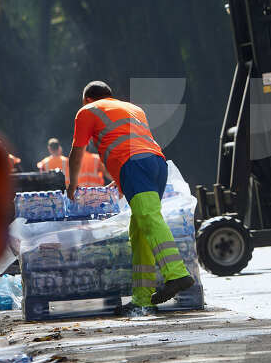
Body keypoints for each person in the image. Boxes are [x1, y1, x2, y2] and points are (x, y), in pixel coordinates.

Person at [68, 81, 194, 316]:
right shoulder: (134, 109)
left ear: (87, 99)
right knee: (138, 231)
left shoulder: (87, 111)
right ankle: (142, 299)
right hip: (156, 164)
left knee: (148, 217)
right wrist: (122, 178)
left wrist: (72, 182)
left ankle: (176, 274)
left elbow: (78, 151)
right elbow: (132, 141)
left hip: (133, 165)